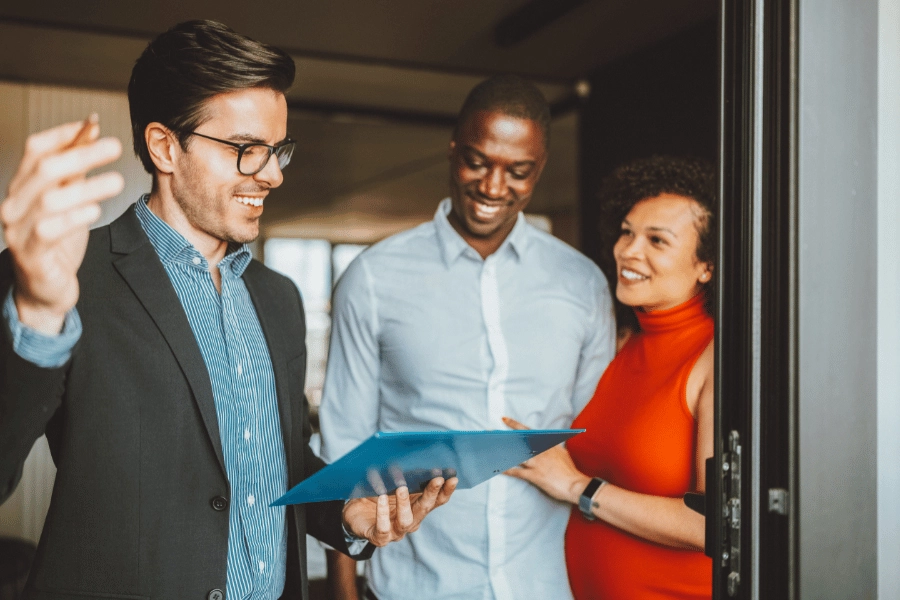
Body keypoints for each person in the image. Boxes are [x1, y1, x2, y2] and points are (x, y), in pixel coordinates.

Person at [0, 20, 455, 600]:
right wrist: (38, 311)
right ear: (166, 147)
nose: (273, 174)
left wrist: (347, 513)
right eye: (247, 150)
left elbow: (276, 460)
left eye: (277, 149)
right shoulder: (64, 276)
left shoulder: (279, 298)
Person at [318, 75, 617, 600]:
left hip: (546, 587)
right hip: (414, 589)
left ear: (539, 169)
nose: (494, 187)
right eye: (478, 161)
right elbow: (344, 454)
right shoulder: (373, 278)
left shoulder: (583, 284)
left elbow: (593, 444)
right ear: (454, 149)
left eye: (518, 171)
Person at [504, 155, 716, 599]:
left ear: (706, 266)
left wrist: (576, 486)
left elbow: (711, 524)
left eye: (657, 240)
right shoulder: (619, 346)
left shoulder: (715, 361)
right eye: (627, 232)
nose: (628, 251)